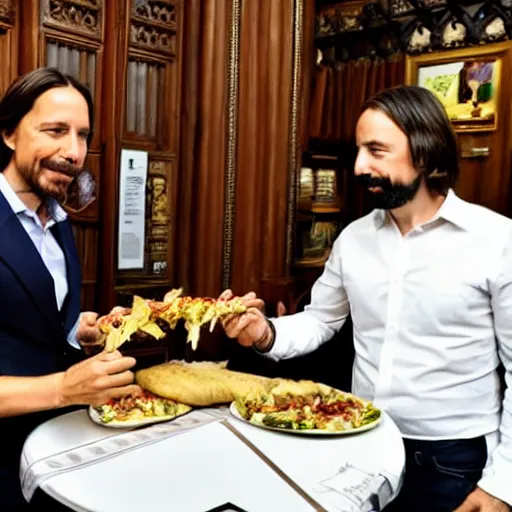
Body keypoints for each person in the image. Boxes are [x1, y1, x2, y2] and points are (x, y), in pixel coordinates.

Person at [221, 85, 511, 512]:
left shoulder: (496, 240)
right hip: (362, 439)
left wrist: (502, 485)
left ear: (426, 154)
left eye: (377, 150)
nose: (359, 166)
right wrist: (264, 334)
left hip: (456, 461)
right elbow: (321, 319)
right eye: (359, 150)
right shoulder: (353, 240)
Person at [0, 67, 141, 509]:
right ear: (9, 133)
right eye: (55, 131)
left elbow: (25, 322)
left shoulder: (58, 223)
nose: (74, 152)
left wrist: (75, 329)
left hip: (54, 453)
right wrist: (64, 388)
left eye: (82, 135)